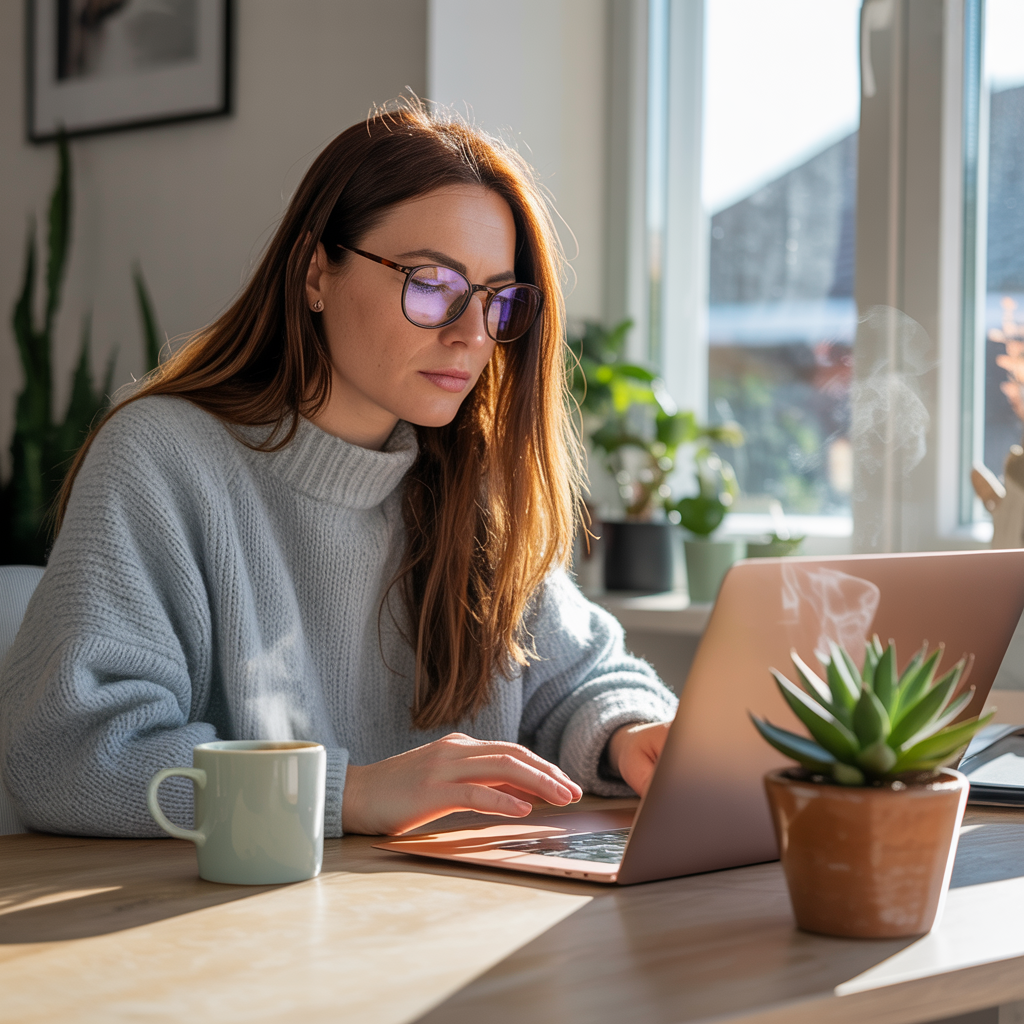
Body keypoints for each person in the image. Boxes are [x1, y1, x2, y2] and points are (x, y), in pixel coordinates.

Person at [0, 101, 676, 839]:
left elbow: (576, 682)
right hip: (220, 934)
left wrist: (630, 733)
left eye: (497, 300)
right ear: (316, 271)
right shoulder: (161, 461)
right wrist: (349, 794)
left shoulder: (468, 479)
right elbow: (68, 759)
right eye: (431, 284)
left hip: (440, 919)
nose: (471, 335)